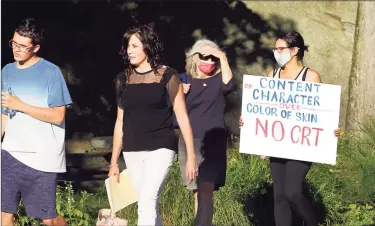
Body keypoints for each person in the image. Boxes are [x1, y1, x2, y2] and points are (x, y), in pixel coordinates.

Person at [239, 31, 341, 226]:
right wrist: (249, 122)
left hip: (301, 145)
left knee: (293, 193)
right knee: (279, 196)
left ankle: (313, 223)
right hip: (277, 144)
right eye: (275, 49)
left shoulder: (311, 77)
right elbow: (264, 110)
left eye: (280, 49)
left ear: (294, 51)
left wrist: (332, 130)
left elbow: (320, 113)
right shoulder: (272, 75)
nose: (276, 52)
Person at [108, 25, 198, 226]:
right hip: (132, 149)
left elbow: (183, 118)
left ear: (147, 47)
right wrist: (114, 162)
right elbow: (120, 121)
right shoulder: (123, 79)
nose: (129, 50)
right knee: (146, 203)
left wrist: (191, 157)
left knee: (146, 202)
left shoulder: (169, 76)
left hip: (161, 147)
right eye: (127, 46)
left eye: (134, 46)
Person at [1, 18, 71, 226]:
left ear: (36, 47)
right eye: (14, 43)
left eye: (23, 46)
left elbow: (58, 116)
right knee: (4, 214)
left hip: (43, 156)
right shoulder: (6, 71)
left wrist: (20, 105)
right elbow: (4, 113)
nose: (16, 49)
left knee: (48, 218)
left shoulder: (51, 72)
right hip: (10, 153)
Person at [178, 39, 235, 226]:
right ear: (194, 58)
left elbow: (229, 85)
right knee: (198, 191)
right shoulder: (183, 80)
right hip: (190, 141)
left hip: (214, 142)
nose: (209, 61)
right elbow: (168, 109)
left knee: (206, 189)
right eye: (204, 56)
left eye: (213, 58)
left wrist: (222, 56)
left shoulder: (219, 80)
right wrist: (179, 93)